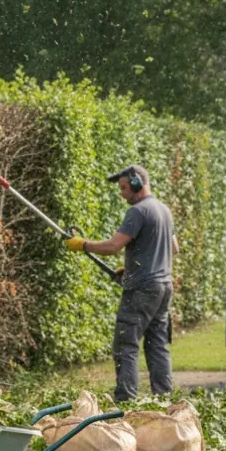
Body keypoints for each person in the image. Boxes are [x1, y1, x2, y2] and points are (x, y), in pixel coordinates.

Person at [63, 165, 177, 401]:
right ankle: (165, 400)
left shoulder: (138, 211)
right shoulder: (163, 210)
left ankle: (126, 400)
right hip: (164, 286)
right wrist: (138, 266)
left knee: (126, 345)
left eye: (124, 188)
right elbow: (173, 248)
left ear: (137, 184)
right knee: (157, 345)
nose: (122, 193)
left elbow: (113, 246)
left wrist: (82, 244)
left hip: (142, 289)